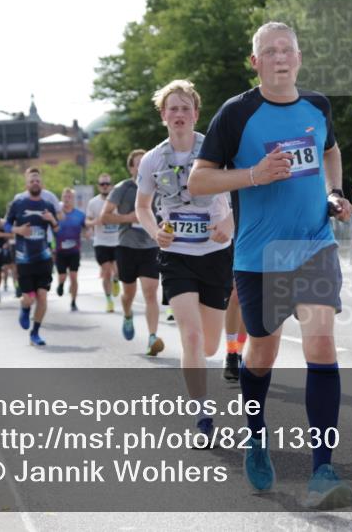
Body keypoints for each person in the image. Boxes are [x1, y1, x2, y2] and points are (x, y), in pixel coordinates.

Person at [188, 21, 352, 509]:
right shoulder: (237, 114)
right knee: (262, 350)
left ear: (299, 58)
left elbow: (329, 150)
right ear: (255, 61)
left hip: (313, 244)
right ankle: (256, 436)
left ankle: (322, 468)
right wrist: (253, 175)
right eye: (270, 51)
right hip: (260, 255)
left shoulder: (318, 106)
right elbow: (199, 182)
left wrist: (334, 194)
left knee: (321, 341)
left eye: (288, 50)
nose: (280, 58)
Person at [137, 80, 234, 441]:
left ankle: (208, 373)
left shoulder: (217, 149)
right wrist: (154, 232)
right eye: (172, 109)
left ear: (195, 113)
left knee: (210, 344)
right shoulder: (151, 159)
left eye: (185, 108)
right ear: (163, 116)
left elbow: (243, 189)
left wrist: (229, 221)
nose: (179, 114)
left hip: (215, 253)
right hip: (176, 255)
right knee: (190, 336)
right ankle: (202, 416)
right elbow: (142, 206)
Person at [102, 149, 164, 354]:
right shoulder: (123, 188)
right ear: (131, 168)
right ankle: (127, 314)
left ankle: (152, 337)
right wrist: (129, 218)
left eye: (146, 162)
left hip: (150, 246)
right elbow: (105, 216)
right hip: (126, 246)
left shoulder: (161, 186)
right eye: (138, 163)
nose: (143, 166)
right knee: (128, 293)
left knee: (151, 291)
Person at [6, 168, 60, 346]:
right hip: (24, 259)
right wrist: (18, 230)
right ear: (27, 185)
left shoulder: (48, 205)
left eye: (37, 181)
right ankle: (24, 307)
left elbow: (57, 230)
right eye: (32, 181)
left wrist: (52, 220)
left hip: (44, 258)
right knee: (29, 297)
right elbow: (5, 226)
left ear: (41, 184)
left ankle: (35, 333)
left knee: (42, 297)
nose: (35, 183)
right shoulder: (18, 204)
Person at [86, 172, 121, 312]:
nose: (105, 186)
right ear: (98, 186)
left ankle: (116, 280)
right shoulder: (93, 203)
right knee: (106, 272)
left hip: (118, 241)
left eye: (107, 184)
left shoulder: (118, 201)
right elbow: (87, 221)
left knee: (118, 271)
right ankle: (109, 301)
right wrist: (96, 221)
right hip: (101, 242)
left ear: (111, 186)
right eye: (102, 184)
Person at [55, 187, 86, 312]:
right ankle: (61, 284)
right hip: (60, 251)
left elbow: (86, 228)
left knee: (74, 276)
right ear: (61, 199)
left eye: (69, 197)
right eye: (65, 197)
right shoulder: (57, 215)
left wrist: (88, 232)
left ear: (73, 199)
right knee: (62, 275)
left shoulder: (79, 215)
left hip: (74, 251)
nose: (67, 199)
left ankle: (73, 302)